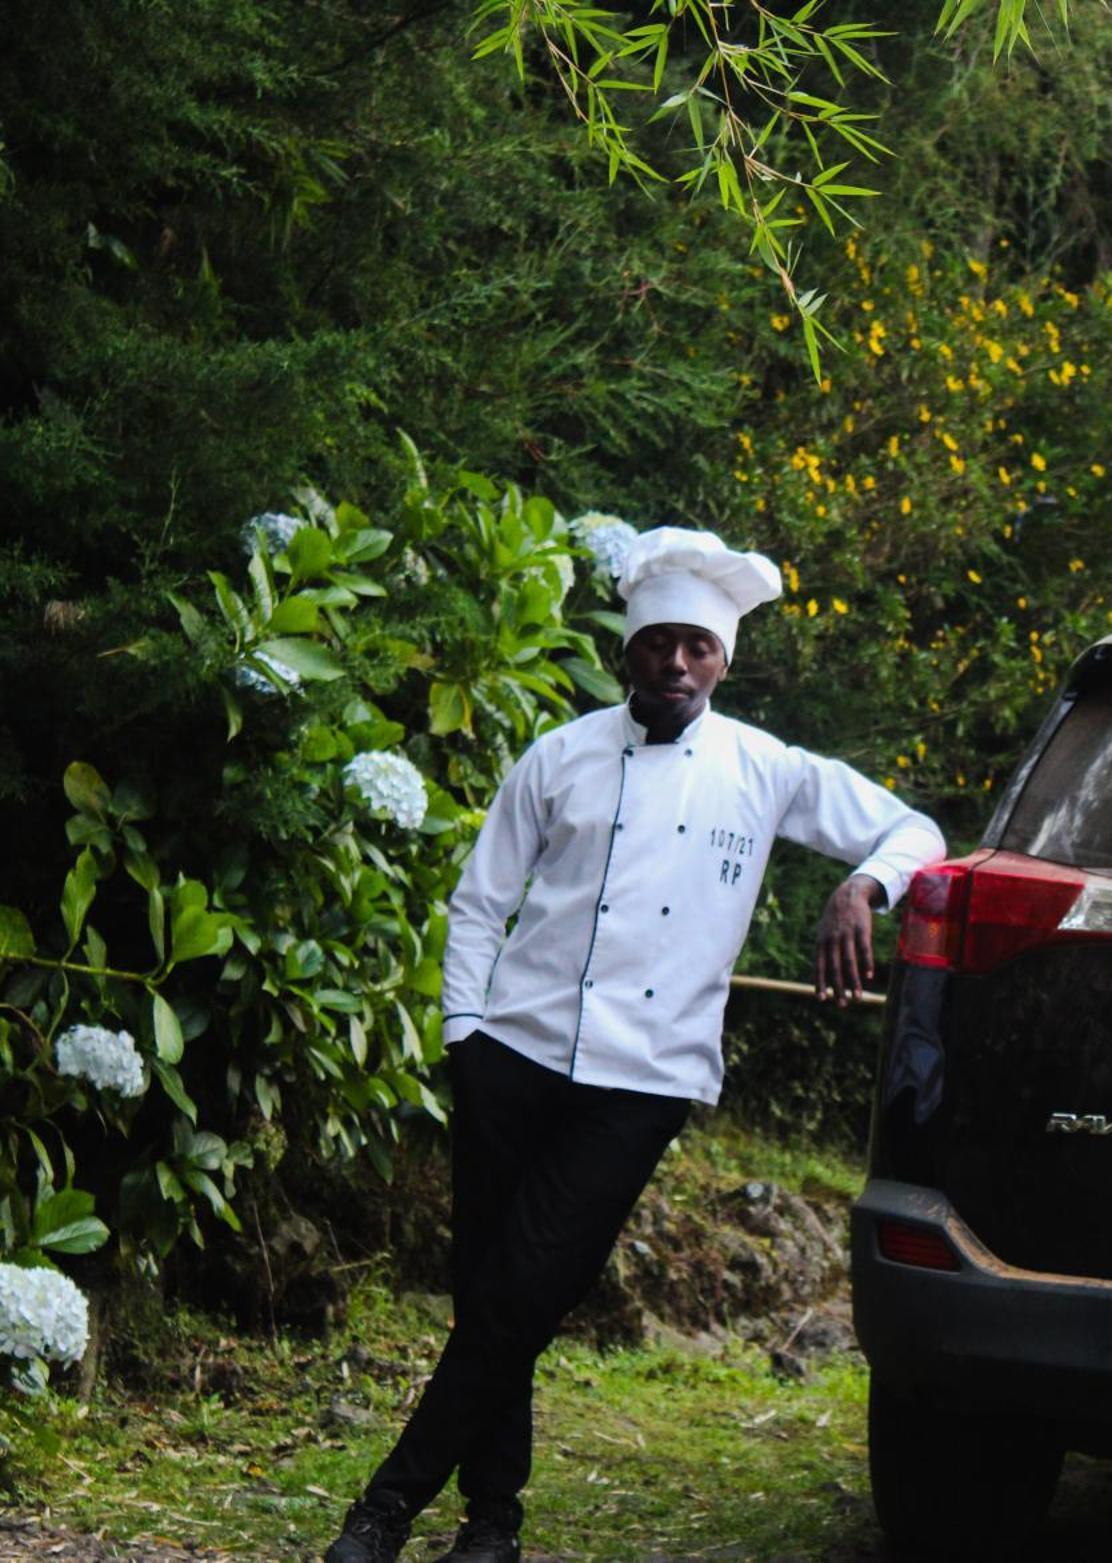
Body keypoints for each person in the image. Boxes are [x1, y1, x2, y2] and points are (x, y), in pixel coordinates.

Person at [323, 526, 947, 1563]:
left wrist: (860, 885)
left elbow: (915, 829)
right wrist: (462, 1035)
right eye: (659, 643)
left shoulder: (766, 769)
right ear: (626, 652)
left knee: (525, 1287)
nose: (676, 663)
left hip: (644, 1077)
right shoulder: (558, 755)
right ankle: (492, 1522)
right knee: (491, 1294)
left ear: (722, 662)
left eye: (697, 648)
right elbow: (479, 904)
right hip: (510, 1053)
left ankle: (383, 1508)